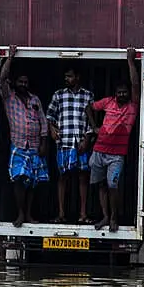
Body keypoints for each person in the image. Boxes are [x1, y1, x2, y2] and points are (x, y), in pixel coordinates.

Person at [86, 47, 140, 232]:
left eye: (125, 92)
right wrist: (94, 127)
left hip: (116, 155)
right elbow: (89, 107)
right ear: (115, 93)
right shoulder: (108, 102)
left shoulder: (132, 106)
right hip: (99, 151)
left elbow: (135, 85)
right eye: (120, 92)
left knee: (113, 185)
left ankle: (114, 218)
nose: (122, 95)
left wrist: (130, 61)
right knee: (100, 185)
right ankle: (105, 217)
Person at [0, 44, 49, 228]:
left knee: (33, 182)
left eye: (26, 82)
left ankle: (28, 214)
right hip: (18, 146)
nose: (23, 85)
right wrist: (10, 57)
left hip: (35, 146)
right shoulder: (8, 97)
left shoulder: (34, 99)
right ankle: (20, 213)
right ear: (15, 82)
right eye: (20, 82)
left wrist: (44, 143)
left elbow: (43, 122)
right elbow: (1, 78)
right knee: (19, 178)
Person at [46, 66, 95, 224]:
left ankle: (83, 213)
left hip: (81, 142)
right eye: (66, 76)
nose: (67, 79)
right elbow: (49, 116)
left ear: (77, 77)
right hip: (64, 142)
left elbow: (91, 121)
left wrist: (87, 140)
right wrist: (52, 129)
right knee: (63, 177)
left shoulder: (88, 95)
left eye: (70, 76)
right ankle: (61, 213)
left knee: (82, 177)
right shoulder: (58, 95)